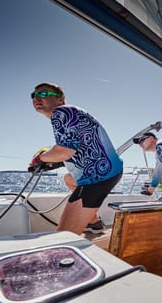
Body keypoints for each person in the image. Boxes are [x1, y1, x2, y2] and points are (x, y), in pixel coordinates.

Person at [29, 82, 123, 235]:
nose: (37, 98)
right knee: (68, 179)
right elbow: (76, 148)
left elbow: (65, 151)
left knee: (63, 238)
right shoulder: (70, 113)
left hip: (97, 177)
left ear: (60, 99)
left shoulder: (61, 112)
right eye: (34, 95)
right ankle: (95, 222)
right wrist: (54, 160)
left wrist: (40, 159)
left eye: (44, 94)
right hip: (109, 170)